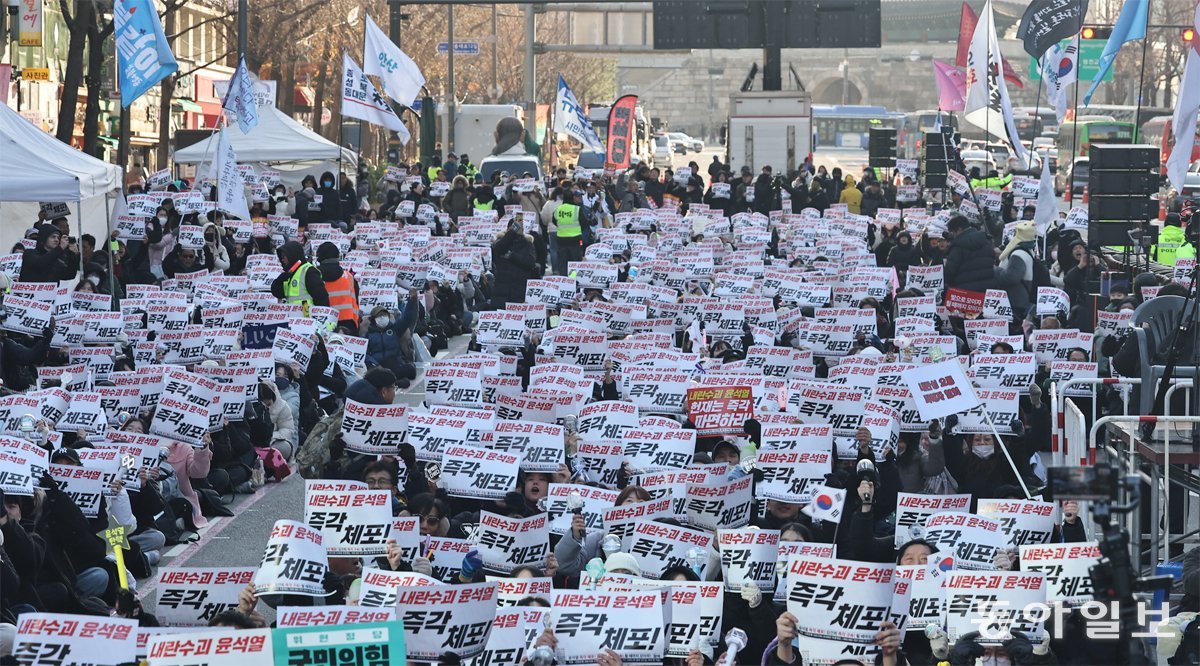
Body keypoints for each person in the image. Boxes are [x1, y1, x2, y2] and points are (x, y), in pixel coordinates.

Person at [270, 241, 329, 315]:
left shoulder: (309, 271)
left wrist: (321, 319)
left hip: (307, 317)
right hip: (293, 318)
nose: (282, 260)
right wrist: (279, 280)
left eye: (284, 257)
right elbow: (278, 293)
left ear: (292, 256)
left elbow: (321, 298)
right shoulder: (290, 273)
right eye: (281, 257)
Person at [491, 219, 538, 309]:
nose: (519, 229)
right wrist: (512, 232)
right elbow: (499, 249)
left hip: (519, 289)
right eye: (515, 227)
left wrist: (512, 256)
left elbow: (530, 263)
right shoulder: (500, 242)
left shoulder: (527, 243)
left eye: (521, 227)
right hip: (501, 289)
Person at [943, 215, 996, 294]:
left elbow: (949, 272)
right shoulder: (986, 241)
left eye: (953, 232)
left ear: (959, 230)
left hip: (963, 294)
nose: (953, 236)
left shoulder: (958, 246)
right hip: (986, 291)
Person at [315, 242, 359, 331]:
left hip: (322, 324)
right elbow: (356, 298)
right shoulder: (349, 277)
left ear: (319, 258)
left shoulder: (314, 276)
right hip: (348, 324)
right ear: (337, 256)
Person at [554, 189, 586, 275]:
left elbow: (554, 221)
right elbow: (584, 223)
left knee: (563, 262)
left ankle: (564, 281)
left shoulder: (558, 209)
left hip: (561, 240)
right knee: (574, 262)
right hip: (576, 240)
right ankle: (573, 280)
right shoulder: (577, 209)